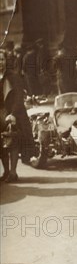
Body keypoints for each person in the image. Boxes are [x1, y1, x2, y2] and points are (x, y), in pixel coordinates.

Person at [0, 48, 34, 182]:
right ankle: (6, 171)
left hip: (12, 113)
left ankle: (13, 172)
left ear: (6, 61)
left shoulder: (13, 77)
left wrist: (13, 114)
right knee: (1, 144)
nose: (0, 63)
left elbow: (19, 98)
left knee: (12, 142)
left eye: (2, 59)